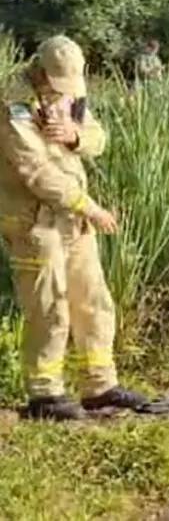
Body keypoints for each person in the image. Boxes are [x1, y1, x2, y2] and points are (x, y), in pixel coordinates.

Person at [0, 35, 146, 420]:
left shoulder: (71, 99)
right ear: (42, 74)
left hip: (74, 223)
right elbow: (37, 173)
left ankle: (101, 386)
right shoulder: (14, 108)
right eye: (57, 86)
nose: (63, 94)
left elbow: (99, 137)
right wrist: (92, 208)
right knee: (49, 308)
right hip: (36, 225)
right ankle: (45, 394)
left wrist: (75, 136)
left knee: (93, 301)